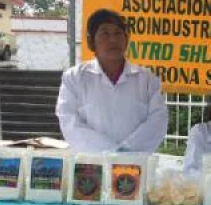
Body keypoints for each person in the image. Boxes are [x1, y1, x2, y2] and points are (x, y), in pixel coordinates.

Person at [56, 8, 168, 153]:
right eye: (105, 33)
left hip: (135, 165)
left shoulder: (147, 79)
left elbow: (158, 121)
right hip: (92, 166)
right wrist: (110, 152)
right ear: (91, 41)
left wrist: (125, 152)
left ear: (126, 40)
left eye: (118, 33)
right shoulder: (74, 78)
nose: (113, 40)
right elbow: (69, 122)